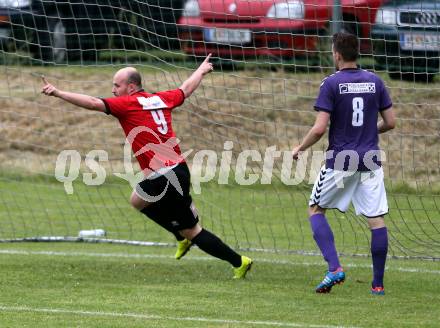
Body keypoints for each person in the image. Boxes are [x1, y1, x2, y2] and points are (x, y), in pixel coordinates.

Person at [41, 54, 253, 279]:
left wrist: (59, 93)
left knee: (193, 232)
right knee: (137, 199)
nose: (113, 90)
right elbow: (185, 90)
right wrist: (200, 71)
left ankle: (239, 261)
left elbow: (93, 103)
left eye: (117, 85)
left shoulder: (127, 104)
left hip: (166, 178)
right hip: (177, 170)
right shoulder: (161, 98)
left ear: (131, 87)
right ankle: (181, 237)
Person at [292, 33, 395, 294]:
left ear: (336, 54)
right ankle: (378, 285)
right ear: (357, 53)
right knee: (376, 220)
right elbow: (391, 122)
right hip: (370, 159)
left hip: (340, 159)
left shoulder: (331, 83)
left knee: (315, 209)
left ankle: (335, 268)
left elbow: (318, 129)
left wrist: (300, 148)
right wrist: (371, 133)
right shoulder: (375, 81)